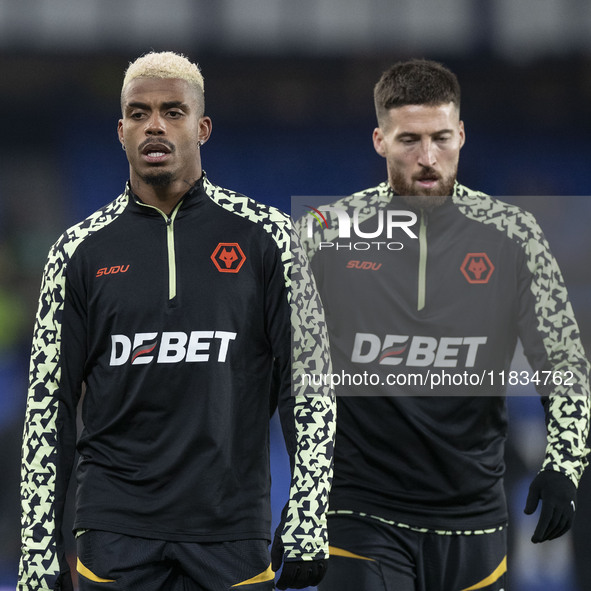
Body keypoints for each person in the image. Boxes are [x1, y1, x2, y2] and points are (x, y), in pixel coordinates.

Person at [18, 51, 335, 591]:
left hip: (231, 532)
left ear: (202, 126)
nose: (155, 125)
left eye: (173, 111)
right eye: (138, 113)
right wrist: (36, 544)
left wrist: (309, 509)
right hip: (113, 533)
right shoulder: (76, 252)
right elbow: (49, 405)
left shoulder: (271, 239)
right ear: (121, 131)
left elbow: (310, 385)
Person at [296, 59, 590, 590]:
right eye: (409, 139)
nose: (428, 158)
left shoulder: (515, 236)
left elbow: (565, 365)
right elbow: (295, 378)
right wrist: (306, 507)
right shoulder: (323, 235)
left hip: (474, 520)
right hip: (361, 512)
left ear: (462, 135)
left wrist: (564, 466)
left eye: (441, 138)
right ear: (379, 140)